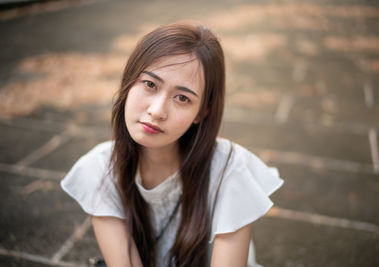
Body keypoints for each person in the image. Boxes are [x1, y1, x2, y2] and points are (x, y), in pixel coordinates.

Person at [61, 22, 283, 267]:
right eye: (150, 84)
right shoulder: (100, 168)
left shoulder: (227, 169)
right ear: (129, 81)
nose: (157, 111)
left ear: (201, 112)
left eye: (182, 98)